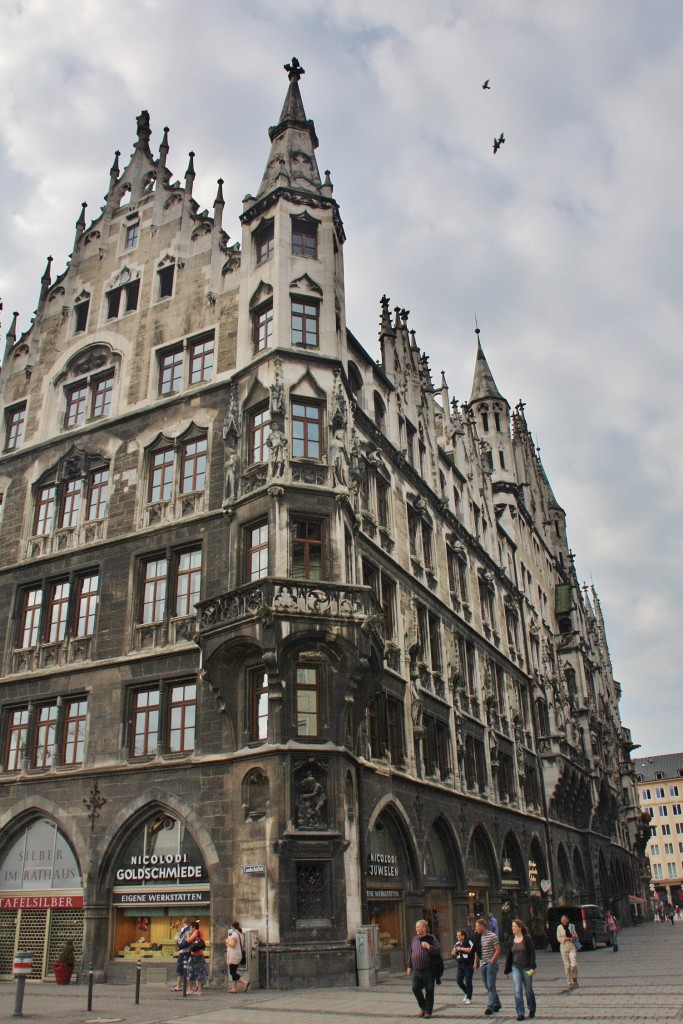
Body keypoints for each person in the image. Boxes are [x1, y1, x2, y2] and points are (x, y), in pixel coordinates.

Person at [406, 918, 440, 1019]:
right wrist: (409, 966)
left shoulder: (431, 938)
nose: (416, 928)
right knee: (415, 988)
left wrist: (429, 947)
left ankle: (428, 1011)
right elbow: (410, 952)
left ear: (424, 928)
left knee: (429, 990)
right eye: (416, 927)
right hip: (417, 970)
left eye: (418, 927)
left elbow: (438, 950)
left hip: (428, 970)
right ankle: (423, 1007)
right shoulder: (414, 939)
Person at [503, 919, 536, 1021]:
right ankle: (520, 1013)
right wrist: (506, 970)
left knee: (528, 990)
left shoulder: (527, 939)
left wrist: (532, 967)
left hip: (526, 967)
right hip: (515, 967)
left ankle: (532, 1008)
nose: (513, 928)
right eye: (512, 927)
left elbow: (532, 953)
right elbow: (509, 955)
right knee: (517, 990)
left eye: (515, 927)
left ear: (520, 928)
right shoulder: (511, 939)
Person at [473, 917, 501, 1016]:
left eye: (477, 926)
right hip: (482, 963)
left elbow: (498, 949)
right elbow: (477, 951)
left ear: (482, 926)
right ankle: (497, 1003)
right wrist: (475, 963)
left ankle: (490, 1006)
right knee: (487, 985)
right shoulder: (478, 937)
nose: (475, 928)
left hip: (490, 963)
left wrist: (493, 960)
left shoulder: (492, 936)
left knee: (490, 985)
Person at [225, 920, 250, 993]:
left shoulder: (234, 934)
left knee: (232, 972)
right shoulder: (240, 934)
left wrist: (227, 941)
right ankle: (234, 988)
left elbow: (232, 945)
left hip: (234, 956)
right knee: (234, 971)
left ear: (232, 927)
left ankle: (245, 982)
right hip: (238, 955)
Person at [452, 928, 475, 1004]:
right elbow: (453, 953)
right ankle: (466, 992)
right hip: (460, 964)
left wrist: (461, 948)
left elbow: (470, 950)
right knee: (459, 981)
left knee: (468, 980)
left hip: (468, 964)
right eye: (457, 935)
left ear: (463, 936)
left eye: (459, 935)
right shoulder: (457, 943)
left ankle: (469, 997)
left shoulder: (468, 942)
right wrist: (454, 952)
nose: (457, 937)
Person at [185, 919, 207, 995]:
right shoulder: (201, 932)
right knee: (199, 971)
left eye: (191, 927)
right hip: (201, 954)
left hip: (194, 955)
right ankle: (199, 990)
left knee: (189, 970)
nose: (190, 929)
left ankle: (190, 989)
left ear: (193, 927)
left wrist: (188, 935)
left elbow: (188, 941)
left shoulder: (195, 932)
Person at [556, 913, 578, 989]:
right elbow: (559, 938)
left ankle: (575, 977)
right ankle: (570, 982)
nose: (564, 922)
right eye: (563, 921)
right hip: (564, 947)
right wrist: (565, 939)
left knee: (573, 964)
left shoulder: (572, 926)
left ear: (568, 920)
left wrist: (574, 937)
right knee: (567, 966)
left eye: (565, 920)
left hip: (571, 946)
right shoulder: (559, 928)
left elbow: (576, 935)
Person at [170, 916, 192, 991]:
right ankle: (188, 987)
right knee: (188, 968)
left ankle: (178, 985)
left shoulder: (184, 930)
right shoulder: (190, 930)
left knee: (180, 969)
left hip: (183, 951)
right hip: (188, 951)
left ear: (183, 922)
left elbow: (181, 940)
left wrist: (179, 944)